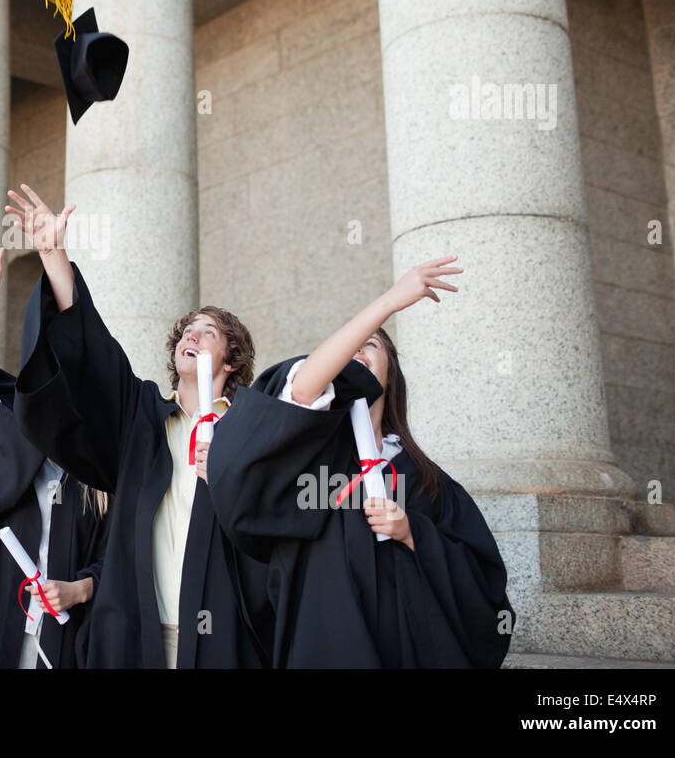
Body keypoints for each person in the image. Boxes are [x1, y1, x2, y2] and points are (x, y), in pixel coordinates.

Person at [6, 184, 272, 668]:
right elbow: (96, 352)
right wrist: (54, 255)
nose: (192, 335)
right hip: (138, 632)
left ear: (231, 362)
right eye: (188, 330)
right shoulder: (146, 416)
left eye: (208, 333)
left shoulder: (250, 431)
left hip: (220, 635)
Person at [207, 257, 515, 667]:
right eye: (349, 346)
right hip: (325, 645)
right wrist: (388, 301)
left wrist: (412, 533)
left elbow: (483, 583)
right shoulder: (309, 467)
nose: (357, 349)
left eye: (370, 343)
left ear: (391, 371)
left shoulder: (423, 478)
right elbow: (300, 391)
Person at [0, 229, 109, 669]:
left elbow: (124, 552)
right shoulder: (15, 420)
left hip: (74, 628)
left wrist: (81, 588)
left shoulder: (106, 449)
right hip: (1, 604)